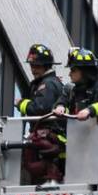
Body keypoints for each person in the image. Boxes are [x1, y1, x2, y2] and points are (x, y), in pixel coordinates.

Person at [16, 44, 66, 184]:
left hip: (50, 138)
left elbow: (39, 108)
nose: (33, 69)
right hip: (46, 140)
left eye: (37, 66)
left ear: (46, 66)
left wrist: (21, 104)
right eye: (31, 65)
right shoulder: (46, 82)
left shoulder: (48, 84)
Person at [53, 47, 98, 122]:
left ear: (85, 71)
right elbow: (63, 100)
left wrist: (89, 110)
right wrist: (60, 106)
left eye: (73, 70)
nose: (69, 74)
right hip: (83, 132)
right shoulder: (74, 90)